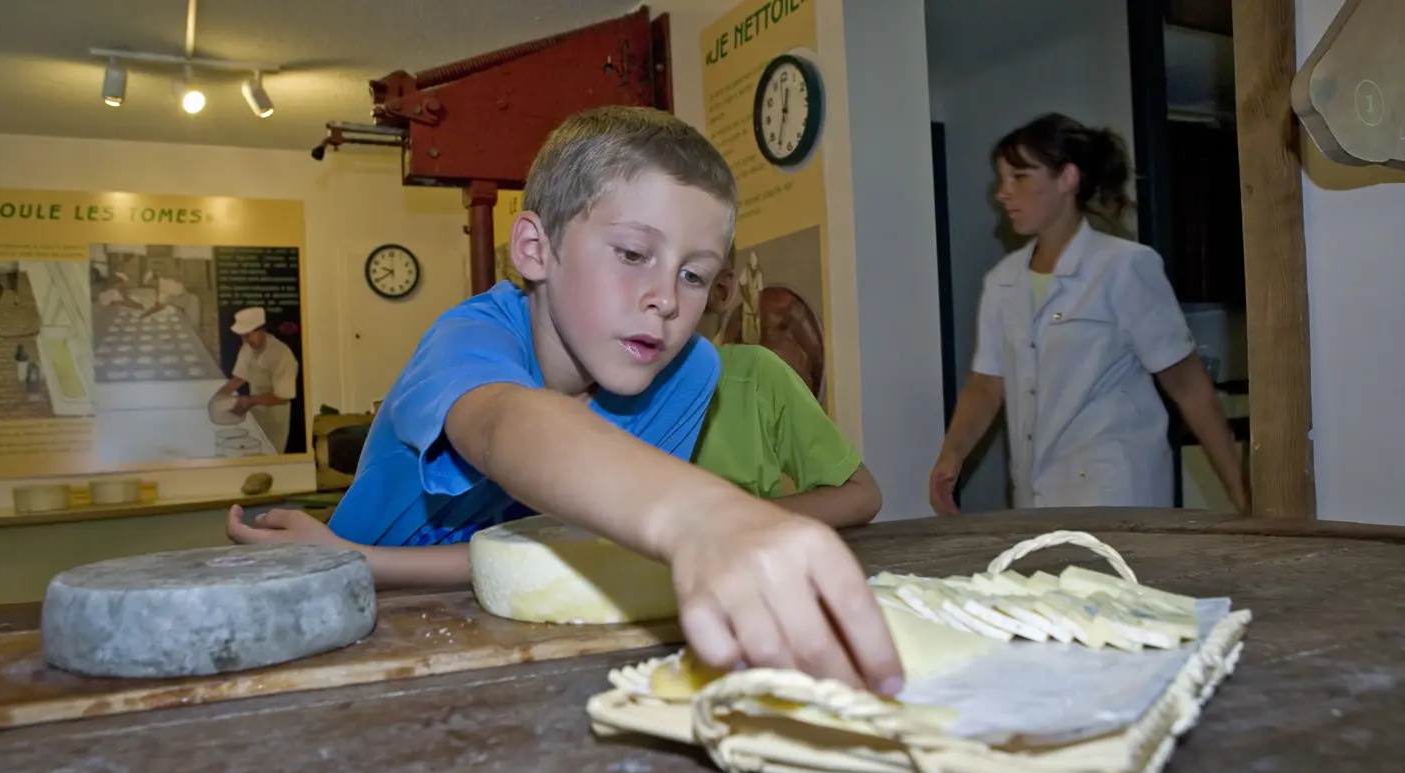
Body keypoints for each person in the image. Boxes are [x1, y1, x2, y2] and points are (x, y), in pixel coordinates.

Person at [226, 105, 902, 696]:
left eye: (695, 275)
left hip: (506, 626)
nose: (668, 298)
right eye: (634, 254)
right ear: (534, 250)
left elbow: (548, 552)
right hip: (365, 629)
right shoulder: (469, 339)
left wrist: (370, 562)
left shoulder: (688, 372)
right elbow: (505, 425)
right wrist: (701, 514)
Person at [929, 113, 1247, 515]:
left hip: (1116, 490)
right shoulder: (1002, 281)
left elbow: (1188, 386)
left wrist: (1240, 492)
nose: (1002, 194)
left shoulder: (1124, 267)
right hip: (1035, 494)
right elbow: (986, 385)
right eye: (1001, 180)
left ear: (1067, 179)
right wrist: (951, 455)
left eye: (1020, 177)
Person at [693, 261, 881, 527]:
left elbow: (862, 495)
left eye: (689, 275)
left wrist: (741, 518)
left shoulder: (753, 375)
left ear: (721, 290)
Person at [215, 307, 299, 453]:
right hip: (256, 414)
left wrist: (249, 400)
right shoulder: (247, 348)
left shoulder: (282, 354)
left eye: (248, 335)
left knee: (271, 454)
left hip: (275, 419)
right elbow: (239, 378)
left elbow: (284, 396)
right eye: (242, 336)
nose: (245, 340)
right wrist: (219, 395)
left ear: (261, 330)